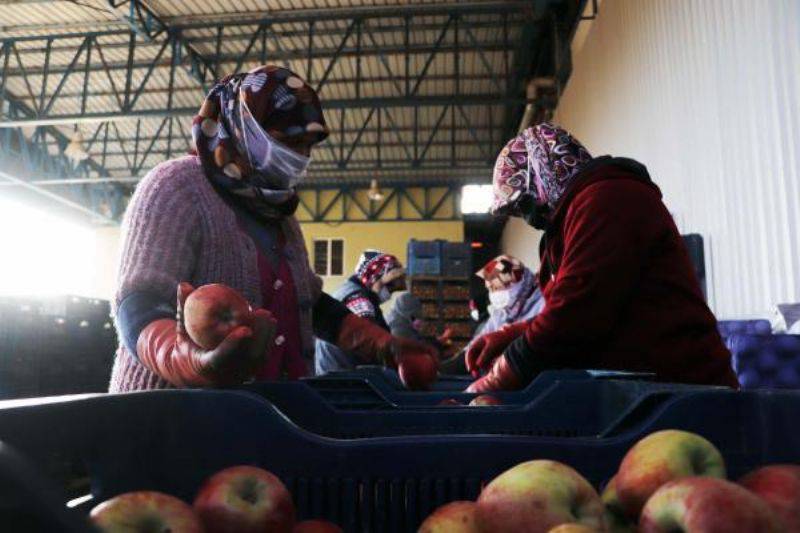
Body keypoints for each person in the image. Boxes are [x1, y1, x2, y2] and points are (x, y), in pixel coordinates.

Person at [110, 65, 436, 392]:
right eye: (288, 141)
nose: (300, 157)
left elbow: (312, 305)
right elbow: (138, 302)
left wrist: (385, 346)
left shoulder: (279, 213)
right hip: (169, 420)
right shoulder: (177, 188)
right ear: (243, 127)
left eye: (308, 145)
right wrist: (186, 361)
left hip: (259, 422)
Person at [465, 122, 739, 392]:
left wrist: (500, 375)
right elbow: (569, 305)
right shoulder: (571, 221)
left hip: (687, 392)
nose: (529, 218)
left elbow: (574, 314)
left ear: (545, 174)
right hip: (647, 393)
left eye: (525, 203)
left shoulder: (608, 200)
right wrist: (509, 336)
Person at [314, 250, 408, 374]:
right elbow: (370, 346)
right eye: (389, 286)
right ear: (374, 278)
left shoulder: (347, 290)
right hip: (344, 378)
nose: (390, 293)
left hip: (332, 370)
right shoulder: (359, 301)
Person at [473, 254, 545, 338]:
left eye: (496, 288)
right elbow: (479, 340)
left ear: (517, 283)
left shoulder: (543, 304)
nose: (493, 294)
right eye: (490, 289)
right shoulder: (501, 314)